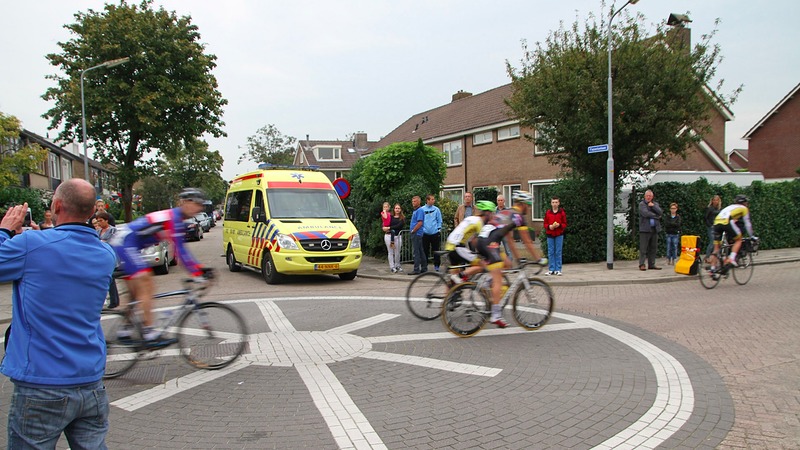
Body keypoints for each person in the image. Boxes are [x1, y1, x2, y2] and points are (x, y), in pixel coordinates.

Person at [0, 178, 117, 448]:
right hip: (90, 381)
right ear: (92, 213)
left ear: (57, 205)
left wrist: (5, 231)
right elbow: (62, 250)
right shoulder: (105, 253)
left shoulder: (31, 245)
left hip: (42, 381)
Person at [109, 187, 208, 346]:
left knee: (135, 294)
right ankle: (149, 334)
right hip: (126, 242)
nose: (199, 208)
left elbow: (182, 250)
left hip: (126, 243)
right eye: (197, 204)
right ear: (186, 203)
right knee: (146, 282)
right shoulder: (174, 217)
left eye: (201, 205)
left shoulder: (177, 219)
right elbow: (181, 253)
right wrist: (198, 273)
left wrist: (199, 269)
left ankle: (125, 330)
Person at [476, 190, 547, 328]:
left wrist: (517, 259)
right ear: (523, 204)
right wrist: (539, 259)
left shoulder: (507, 213)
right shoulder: (519, 216)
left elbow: (509, 239)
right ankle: (495, 315)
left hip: (484, 240)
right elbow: (527, 241)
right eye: (528, 204)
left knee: (507, 264)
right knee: (498, 279)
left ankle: (487, 281)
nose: (529, 207)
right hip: (489, 243)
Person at [445, 200, 496, 284]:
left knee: (453, 283)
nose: (493, 216)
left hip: (450, 245)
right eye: (492, 213)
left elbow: (474, 240)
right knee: (480, 265)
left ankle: (449, 296)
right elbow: (483, 241)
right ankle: (461, 275)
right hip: (457, 247)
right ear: (487, 213)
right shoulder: (479, 222)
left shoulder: (472, 218)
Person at [710, 194, 756, 270]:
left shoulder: (730, 206)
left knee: (716, 249)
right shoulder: (744, 208)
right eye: (746, 202)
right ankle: (731, 259)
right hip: (726, 222)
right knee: (739, 240)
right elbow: (747, 224)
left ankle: (712, 269)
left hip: (716, 223)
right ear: (744, 203)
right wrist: (752, 236)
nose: (747, 204)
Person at [638, 189, 663, 271]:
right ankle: (642, 264)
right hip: (645, 229)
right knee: (643, 248)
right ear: (645, 196)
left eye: (650, 196)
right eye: (647, 196)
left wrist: (653, 206)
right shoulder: (642, 204)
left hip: (654, 229)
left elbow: (660, 212)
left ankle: (651, 264)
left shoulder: (655, 204)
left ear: (652, 197)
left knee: (653, 248)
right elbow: (645, 213)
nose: (648, 197)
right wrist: (656, 216)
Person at [543, 196, 567, 276]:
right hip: (550, 234)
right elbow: (545, 223)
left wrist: (559, 225)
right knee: (550, 252)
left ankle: (558, 269)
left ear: (559, 203)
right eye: (553, 202)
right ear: (551, 203)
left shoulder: (561, 212)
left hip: (559, 234)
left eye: (556, 202)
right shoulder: (548, 212)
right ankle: (551, 269)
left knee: (558, 252)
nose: (555, 204)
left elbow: (564, 223)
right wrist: (549, 226)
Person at [421, 194, 443, 272]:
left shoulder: (436, 209)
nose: (434, 200)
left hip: (435, 233)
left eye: (434, 199)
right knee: (424, 250)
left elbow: (439, 220)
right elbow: (420, 221)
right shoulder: (422, 209)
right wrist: (422, 230)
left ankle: (437, 265)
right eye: (432, 199)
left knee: (436, 250)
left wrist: (439, 229)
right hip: (425, 233)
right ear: (427, 200)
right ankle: (424, 265)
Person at [383, 203, 405, 273]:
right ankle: (392, 267)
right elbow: (385, 222)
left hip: (397, 236)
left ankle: (397, 265)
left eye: (398, 208)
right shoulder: (390, 216)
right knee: (390, 252)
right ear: (394, 209)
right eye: (396, 208)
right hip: (389, 236)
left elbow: (399, 226)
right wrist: (384, 227)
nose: (397, 210)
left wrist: (389, 227)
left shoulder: (402, 218)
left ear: (400, 209)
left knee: (397, 252)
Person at [407, 195, 425, 275]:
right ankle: (424, 268)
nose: (413, 203)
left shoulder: (420, 210)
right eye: (412, 201)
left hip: (417, 233)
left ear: (419, 202)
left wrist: (413, 230)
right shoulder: (416, 210)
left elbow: (420, 222)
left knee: (416, 252)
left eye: (415, 201)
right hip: (417, 233)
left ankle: (416, 269)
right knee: (421, 251)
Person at [704, 195, 721, 262]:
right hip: (711, 227)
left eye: (717, 200)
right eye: (714, 200)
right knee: (712, 242)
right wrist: (709, 225)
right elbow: (705, 217)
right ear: (712, 201)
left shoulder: (719, 209)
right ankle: (707, 256)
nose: (715, 201)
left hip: (717, 227)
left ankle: (714, 257)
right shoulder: (710, 208)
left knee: (717, 243)